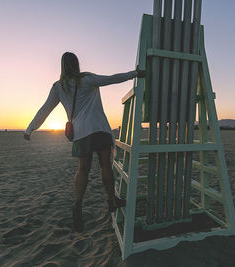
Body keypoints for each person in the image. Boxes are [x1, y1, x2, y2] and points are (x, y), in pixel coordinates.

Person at [23, 52, 145, 232]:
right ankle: (112, 200)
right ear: (77, 64)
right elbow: (112, 79)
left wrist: (30, 128)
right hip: (99, 129)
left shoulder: (59, 87)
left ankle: (77, 205)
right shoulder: (87, 79)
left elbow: (45, 109)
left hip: (81, 134)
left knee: (83, 169)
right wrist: (134, 74)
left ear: (62, 66)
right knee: (105, 166)